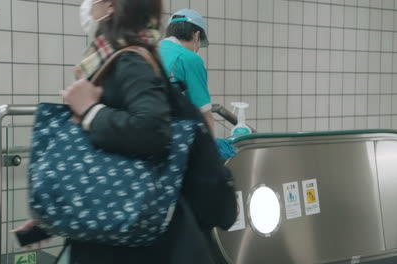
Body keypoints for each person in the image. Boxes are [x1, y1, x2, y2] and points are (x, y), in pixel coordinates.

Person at [15, 0, 237, 263]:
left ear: (110, 7)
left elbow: (151, 130)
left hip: (145, 246)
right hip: (131, 237)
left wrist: (90, 111)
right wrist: (57, 214)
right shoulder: (118, 61)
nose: (87, 7)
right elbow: (108, 162)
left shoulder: (131, 60)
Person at [159, 9, 215, 135]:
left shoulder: (150, 50)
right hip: (171, 136)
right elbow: (205, 113)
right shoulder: (190, 59)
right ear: (196, 36)